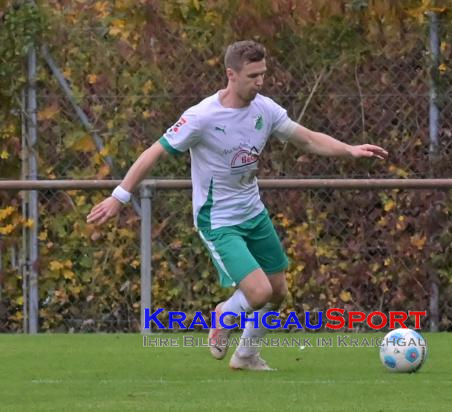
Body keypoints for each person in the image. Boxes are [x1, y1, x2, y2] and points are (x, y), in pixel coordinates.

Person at [87, 40, 388, 371]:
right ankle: (223, 315)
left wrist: (349, 150)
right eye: (252, 76)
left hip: (253, 213)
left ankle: (246, 355)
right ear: (231, 74)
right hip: (219, 221)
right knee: (258, 293)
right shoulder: (201, 117)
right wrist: (120, 196)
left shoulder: (265, 109)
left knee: (277, 291)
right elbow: (154, 152)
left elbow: (308, 138)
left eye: (263, 74)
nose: (260, 82)